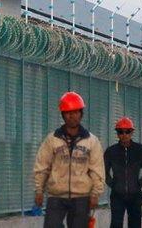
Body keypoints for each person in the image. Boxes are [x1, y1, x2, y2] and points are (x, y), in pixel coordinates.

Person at [34, 91, 105, 228]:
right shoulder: (52, 139)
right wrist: (39, 190)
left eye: (76, 112)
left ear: (81, 114)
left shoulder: (91, 141)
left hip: (81, 197)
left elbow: (97, 169)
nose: (72, 116)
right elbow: (42, 165)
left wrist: (96, 193)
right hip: (56, 195)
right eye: (68, 112)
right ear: (62, 115)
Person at [105, 117, 142, 228]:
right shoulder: (111, 151)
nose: (124, 135)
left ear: (132, 133)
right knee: (116, 224)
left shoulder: (140, 150)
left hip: (135, 195)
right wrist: (113, 184)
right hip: (117, 195)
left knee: (135, 224)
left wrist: (139, 184)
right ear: (117, 133)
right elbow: (104, 171)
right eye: (121, 132)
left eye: (127, 131)